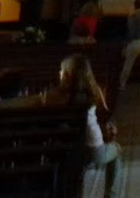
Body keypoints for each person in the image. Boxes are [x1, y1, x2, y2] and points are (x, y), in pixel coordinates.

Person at [43, 54, 123, 197]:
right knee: (116, 150)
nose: (59, 73)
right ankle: (111, 195)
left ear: (66, 75)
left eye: (61, 70)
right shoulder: (94, 91)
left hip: (66, 151)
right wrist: (109, 129)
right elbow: (104, 116)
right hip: (93, 149)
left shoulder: (54, 96)